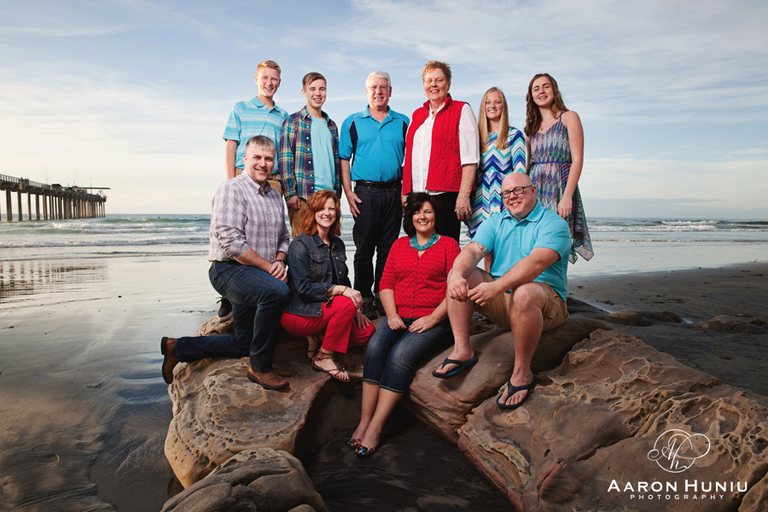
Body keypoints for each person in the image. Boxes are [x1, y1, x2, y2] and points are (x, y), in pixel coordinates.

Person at [160, 136, 291, 390]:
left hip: (257, 274)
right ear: (245, 159)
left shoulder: (275, 197)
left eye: (268, 159)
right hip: (228, 270)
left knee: (244, 344)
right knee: (277, 292)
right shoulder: (231, 189)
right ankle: (260, 368)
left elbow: (285, 237)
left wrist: (279, 260)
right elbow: (232, 244)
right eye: (257, 158)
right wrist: (270, 269)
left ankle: (176, 347)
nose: (263, 164)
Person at [434, 173, 571, 412]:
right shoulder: (496, 221)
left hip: (545, 303)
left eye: (519, 190)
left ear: (534, 190)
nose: (512, 196)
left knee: (525, 292)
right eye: (506, 193)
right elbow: (473, 251)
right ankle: (462, 350)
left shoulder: (554, 224)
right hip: (503, 301)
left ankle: (522, 372)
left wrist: (495, 287)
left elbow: (536, 264)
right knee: (461, 272)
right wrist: (456, 274)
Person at [349, 193, 460, 457]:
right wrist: (391, 314)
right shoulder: (399, 246)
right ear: (410, 218)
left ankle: (376, 426)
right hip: (398, 316)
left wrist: (432, 319)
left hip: (435, 320)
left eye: (428, 211)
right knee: (375, 347)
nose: (422, 216)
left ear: (436, 216)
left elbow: (454, 290)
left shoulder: (449, 245)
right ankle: (364, 420)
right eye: (417, 212)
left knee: (399, 356)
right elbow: (386, 283)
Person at [279, 190, 375, 382]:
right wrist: (342, 293)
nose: (327, 213)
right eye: (321, 208)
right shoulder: (300, 244)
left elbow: (344, 281)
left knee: (367, 331)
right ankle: (324, 357)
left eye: (332, 209)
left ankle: (318, 338)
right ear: (313, 212)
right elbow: (304, 288)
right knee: (346, 303)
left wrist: (353, 310)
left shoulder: (338, 244)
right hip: (298, 312)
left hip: (325, 311)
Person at [218, 60, 288, 321]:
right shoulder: (241, 108)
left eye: (274, 79)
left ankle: (265, 285)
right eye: (265, 78)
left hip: (272, 177)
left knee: (268, 233)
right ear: (257, 79)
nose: (269, 83)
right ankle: (230, 294)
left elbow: (282, 152)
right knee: (238, 233)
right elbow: (230, 145)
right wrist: (230, 181)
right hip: (241, 173)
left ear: (279, 83)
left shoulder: (283, 115)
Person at [339, 71, 410, 320]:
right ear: (366, 91)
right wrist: (348, 192)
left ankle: (382, 296)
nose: (378, 91)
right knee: (364, 249)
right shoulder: (353, 121)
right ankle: (364, 298)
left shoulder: (403, 122)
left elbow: (409, 162)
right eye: (373, 87)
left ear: (390, 91)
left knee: (388, 250)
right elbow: (344, 159)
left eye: (383, 87)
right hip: (365, 192)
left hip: (394, 191)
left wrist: (406, 192)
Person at [401, 61, 479, 242]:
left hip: (445, 197)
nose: (433, 85)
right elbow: (408, 157)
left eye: (439, 80)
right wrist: (405, 192)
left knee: (445, 248)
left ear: (448, 84)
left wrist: (463, 196)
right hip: (417, 196)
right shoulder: (417, 115)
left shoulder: (462, 109)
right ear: (424, 85)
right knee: (418, 248)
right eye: (429, 81)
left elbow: (470, 158)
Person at [525, 73, 593, 262]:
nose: (541, 91)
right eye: (536, 89)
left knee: (556, 241)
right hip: (536, 190)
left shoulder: (569, 117)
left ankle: (557, 290)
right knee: (536, 243)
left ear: (554, 90)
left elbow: (577, 159)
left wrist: (567, 196)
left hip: (560, 187)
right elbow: (527, 166)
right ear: (531, 96)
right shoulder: (531, 128)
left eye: (546, 86)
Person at [468, 87, 526, 272]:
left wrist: (514, 196)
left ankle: (505, 289)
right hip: (480, 198)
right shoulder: (475, 136)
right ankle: (489, 293)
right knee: (485, 249)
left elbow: (520, 171)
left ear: (504, 106)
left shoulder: (514, 135)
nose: (492, 106)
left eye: (497, 101)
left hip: (505, 197)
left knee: (506, 247)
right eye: (488, 102)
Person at [280, 72, 341, 238]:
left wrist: (337, 194)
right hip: (303, 196)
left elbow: (336, 162)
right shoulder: (293, 121)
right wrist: (290, 193)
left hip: (329, 196)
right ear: (304, 92)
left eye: (322, 89)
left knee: (328, 247)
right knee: (302, 246)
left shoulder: (332, 125)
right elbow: (285, 159)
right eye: (312, 89)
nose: (318, 93)